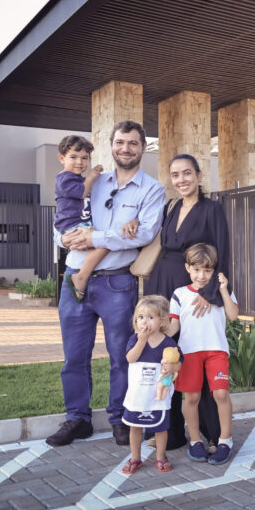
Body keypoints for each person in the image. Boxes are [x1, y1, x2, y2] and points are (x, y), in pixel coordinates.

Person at [46, 121, 165, 448]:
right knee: (74, 357)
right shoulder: (92, 181)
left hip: (117, 283)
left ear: (143, 148)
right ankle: (77, 419)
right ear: (111, 145)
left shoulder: (152, 190)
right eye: (120, 142)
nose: (126, 149)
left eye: (133, 143)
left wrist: (94, 237)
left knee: (121, 356)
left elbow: (143, 234)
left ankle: (120, 419)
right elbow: (63, 217)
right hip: (74, 280)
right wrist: (64, 238)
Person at [144, 153, 231, 450]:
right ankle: (171, 432)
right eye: (175, 174)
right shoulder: (171, 207)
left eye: (187, 173)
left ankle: (212, 433)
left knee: (194, 356)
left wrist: (209, 294)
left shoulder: (212, 209)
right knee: (166, 355)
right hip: (163, 285)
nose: (181, 180)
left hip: (194, 290)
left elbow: (223, 253)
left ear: (198, 175)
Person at [166, 243, 239, 465]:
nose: (202, 275)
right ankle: (195, 440)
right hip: (189, 352)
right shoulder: (179, 294)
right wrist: (154, 337)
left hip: (216, 350)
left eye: (207, 270)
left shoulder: (220, 291)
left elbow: (233, 315)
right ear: (187, 268)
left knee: (221, 394)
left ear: (214, 271)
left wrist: (224, 289)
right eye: (196, 269)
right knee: (192, 398)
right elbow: (174, 326)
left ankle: (225, 440)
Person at [53, 135, 136, 302]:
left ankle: (82, 276)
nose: (79, 162)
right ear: (61, 158)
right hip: (72, 225)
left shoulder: (77, 178)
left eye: (84, 158)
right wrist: (91, 177)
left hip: (78, 224)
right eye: (73, 157)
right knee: (106, 241)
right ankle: (81, 277)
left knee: (105, 241)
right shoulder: (64, 178)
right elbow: (82, 193)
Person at [121, 295, 182, 474]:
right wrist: (142, 340)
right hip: (138, 395)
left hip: (158, 396)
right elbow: (130, 358)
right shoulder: (135, 339)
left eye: (150, 317)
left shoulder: (168, 343)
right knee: (135, 427)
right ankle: (135, 457)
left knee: (160, 428)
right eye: (140, 317)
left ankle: (161, 456)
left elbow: (179, 362)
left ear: (162, 321)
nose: (144, 322)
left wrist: (173, 367)